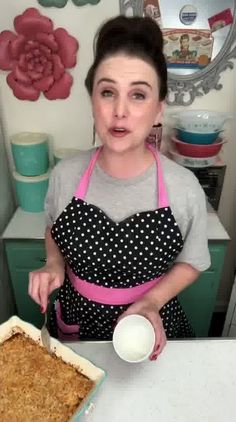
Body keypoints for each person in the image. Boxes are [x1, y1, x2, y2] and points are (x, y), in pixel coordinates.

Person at [28, 15, 210, 360]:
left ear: (158, 109)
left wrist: (152, 301)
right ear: (92, 101)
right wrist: (54, 264)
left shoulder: (184, 189)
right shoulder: (65, 175)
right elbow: (54, 228)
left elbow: (193, 261)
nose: (120, 111)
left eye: (138, 95)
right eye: (108, 92)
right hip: (77, 324)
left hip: (151, 326)